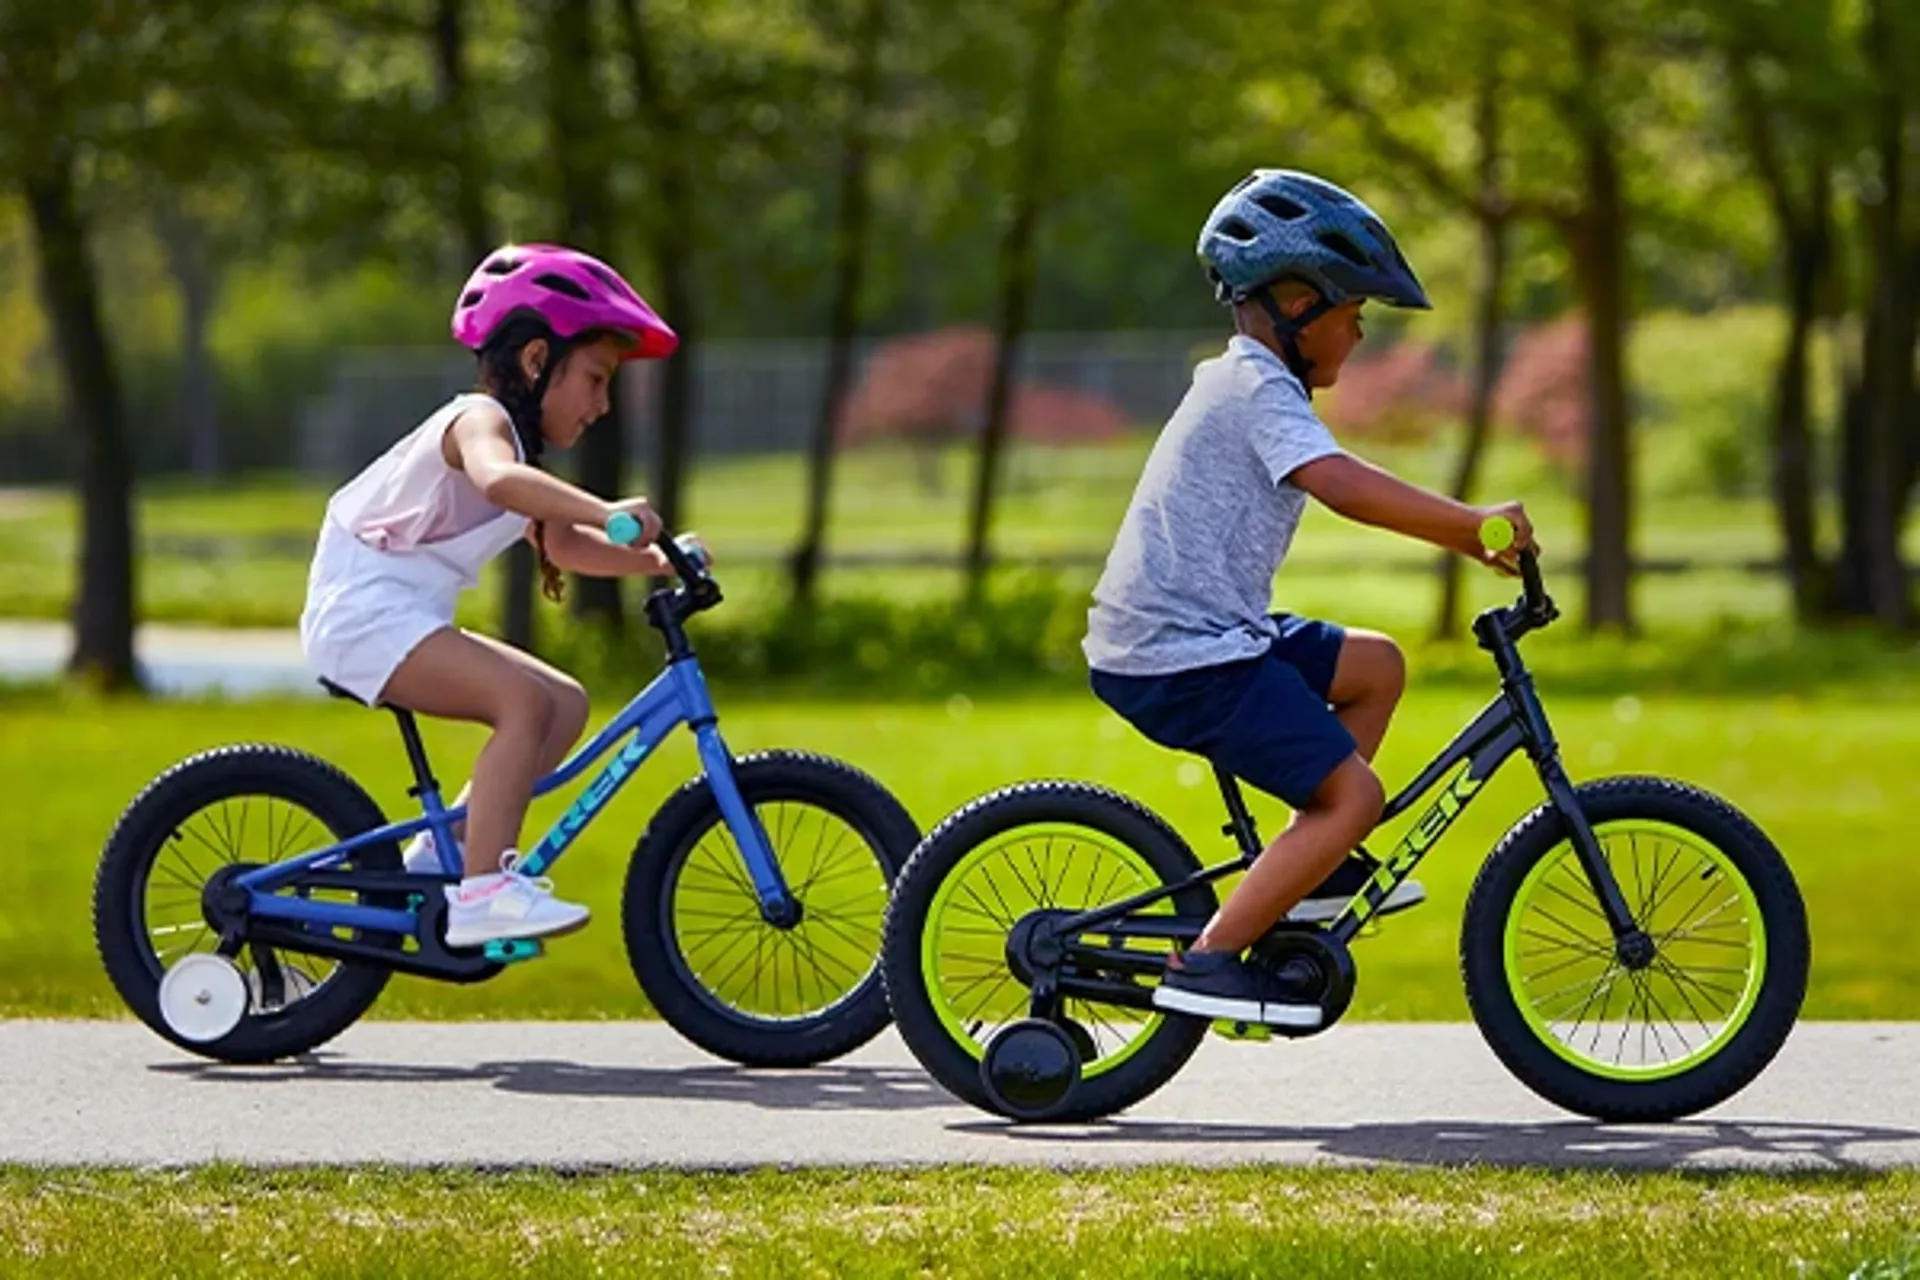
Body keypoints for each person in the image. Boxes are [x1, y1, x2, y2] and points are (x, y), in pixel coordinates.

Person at [1082, 170, 1536, 1027]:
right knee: (1355, 799)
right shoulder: (1253, 386)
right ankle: (1212, 958)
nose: (1360, 332)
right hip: (1179, 654)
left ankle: (1312, 868)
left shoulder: (1257, 383)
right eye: (1352, 311)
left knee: (1375, 668)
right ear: (1296, 301)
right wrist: (1473, 528)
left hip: (1216, 635)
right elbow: (1338, 485)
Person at [299, 243, 687, 949]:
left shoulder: (521, 455)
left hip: (397, 616)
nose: (602, 405)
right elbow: (498, 482)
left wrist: (661, 560)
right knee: (523, 702)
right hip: (362, 614)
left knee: (563, 703)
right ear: (537, 361)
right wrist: (607, 510)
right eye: (597, 379)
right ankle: (483, 893)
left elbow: (562, 545)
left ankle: (442, 858)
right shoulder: (479, 424)